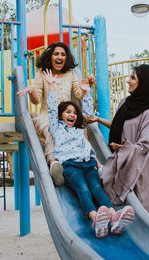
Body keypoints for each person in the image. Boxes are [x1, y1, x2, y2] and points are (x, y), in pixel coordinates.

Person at [44, 68, 134, 238]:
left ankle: (114, 217)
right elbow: (51, 110)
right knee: (84, 190)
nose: (72, 115)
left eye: (74, 113)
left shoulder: (79, 129)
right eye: (67, 112)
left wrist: (87, 92)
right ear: (61, 115)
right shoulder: (56, 128)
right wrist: (50, 87)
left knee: (97, 189)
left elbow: (88, 112)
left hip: (89, 163)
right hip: (71, 166)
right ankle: (95, 219)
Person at [88, 64, 149, 217]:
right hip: (120, 161)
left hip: (139, 166)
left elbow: (144, 146)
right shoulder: (125, 103)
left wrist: (125, 148)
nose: (128, 81)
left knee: (139, 208)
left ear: (143, 83)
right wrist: (98, 119)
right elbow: (118, 125)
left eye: (133, 78)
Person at [17, 42, 95, 186]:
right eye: (56, 54)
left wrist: (88, 85)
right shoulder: (42, 74)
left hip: (66, 116)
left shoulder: (70, 74)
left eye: (63, 55)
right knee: (51, 133)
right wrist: (32, 91)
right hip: (47, 114)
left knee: (81, 132)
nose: (60, 57)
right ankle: (54, 164)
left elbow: (79, 93)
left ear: (66, 58)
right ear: (50, 57)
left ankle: (93, 164)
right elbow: (36, 100)